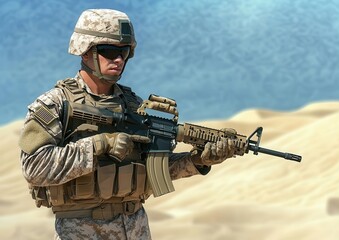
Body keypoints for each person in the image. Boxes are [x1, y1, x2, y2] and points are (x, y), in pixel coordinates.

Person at [19, 9, 236, 239]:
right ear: (85, 51)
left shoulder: (133, 106)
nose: (119, 59)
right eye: (110, 51)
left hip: (135, 228)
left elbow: (152, 169)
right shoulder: (56, 104)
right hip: (81, 230)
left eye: (124, 51)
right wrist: (98, 145)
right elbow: (33, 167)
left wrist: (197, 160)